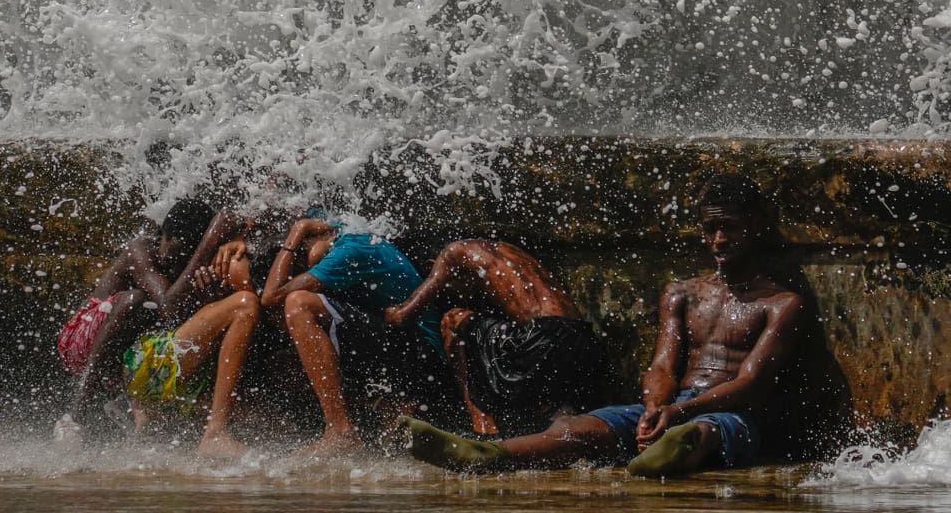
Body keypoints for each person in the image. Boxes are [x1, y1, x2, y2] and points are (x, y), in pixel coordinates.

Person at [401, 174, 804, 477]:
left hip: (731, 415)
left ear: (756, 226)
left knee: (704, 433)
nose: (717, 239)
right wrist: (654, 407)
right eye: (709, 229)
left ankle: (668, 452)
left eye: (729, 228)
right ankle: (487, 454)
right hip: (671, 406)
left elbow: (753, 382)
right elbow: (662, 366)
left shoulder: (781, 303)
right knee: (575, 427)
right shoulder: (683, 293)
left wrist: (679, 413)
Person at [249, 212, 451, 453]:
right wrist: (240, 239)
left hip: (422, 356)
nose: (310, 269)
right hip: (402, 347)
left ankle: (340, 431)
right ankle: (378, 409)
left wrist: (295, 232)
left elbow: (272, 297)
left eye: (303, 261)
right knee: (285, 357)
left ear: (308, 239)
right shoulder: (339, 229)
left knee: (298, 304)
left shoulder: (350, 251)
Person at [55, 199, 241, 437]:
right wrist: (207, 246)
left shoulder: (191, 262)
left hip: (131, 355)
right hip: (82, 342)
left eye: (185, 256)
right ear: (161, 234)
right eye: (172, 249)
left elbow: (174, 320)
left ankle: (131, 406)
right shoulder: (140, 250)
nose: (171, 260)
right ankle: (79, 411)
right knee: (137, 300)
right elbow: (167, 308)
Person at [385, 239, 609, 436]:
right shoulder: (503, 252)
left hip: (543, 339)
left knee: (452, 319)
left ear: (432, 264)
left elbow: (402, 316)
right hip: (584, 341)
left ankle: (483, 429)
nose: (451, 294)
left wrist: (382, 310)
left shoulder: (452, 253)